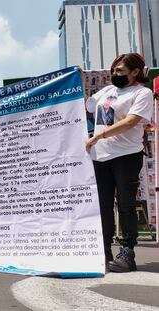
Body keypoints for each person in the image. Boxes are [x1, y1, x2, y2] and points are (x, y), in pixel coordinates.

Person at [85, 53, 153, 273]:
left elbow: (131, 121)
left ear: (135, 72)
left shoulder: (143, 93)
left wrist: (98, 136)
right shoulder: (106, 91)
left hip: (126, 155)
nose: (115, 74)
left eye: (121, 71)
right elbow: (87, 106)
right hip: (100, 157)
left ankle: (127, 253)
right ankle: (103, 252)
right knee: (103, 206)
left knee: (125, 205)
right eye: (114, 70)